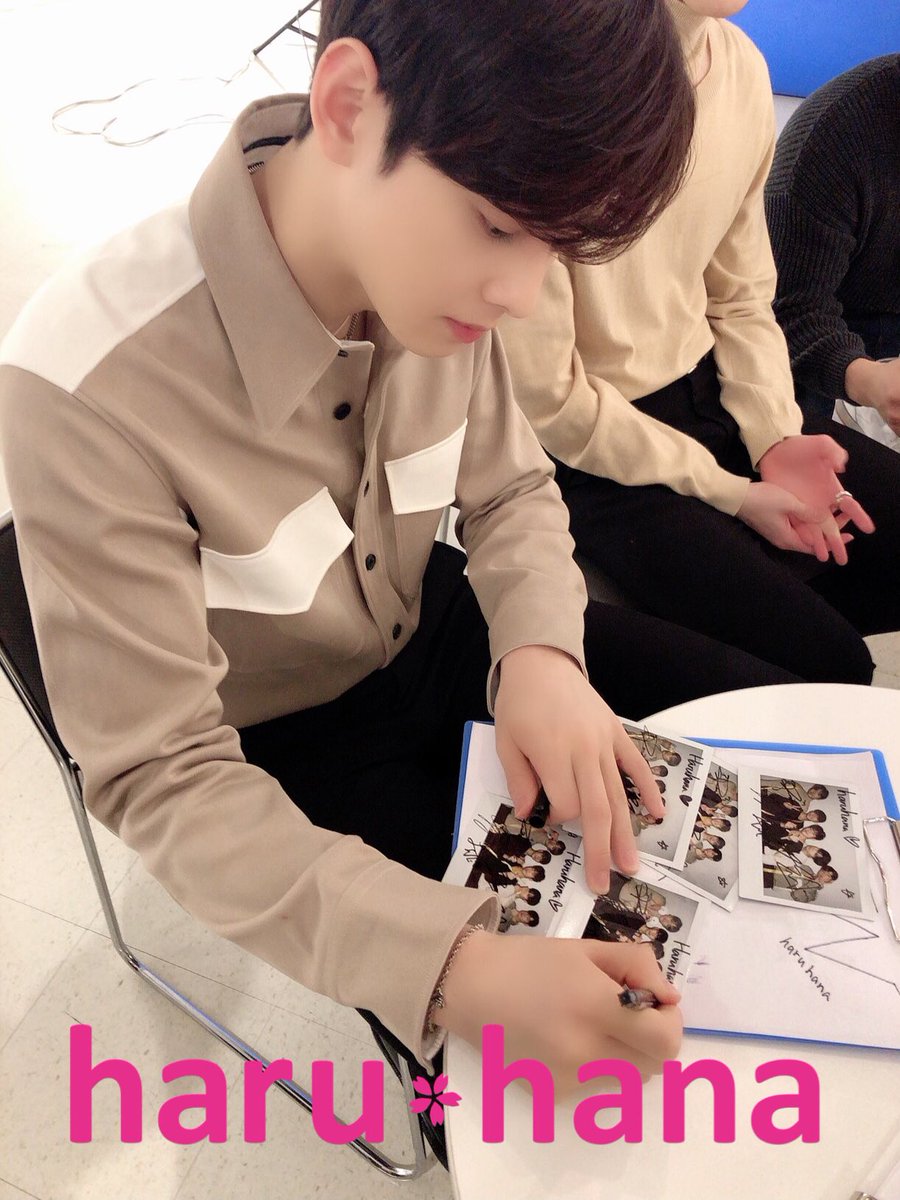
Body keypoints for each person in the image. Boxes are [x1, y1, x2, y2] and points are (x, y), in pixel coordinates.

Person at [0, 0, 697, 1097]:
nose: (522, 294)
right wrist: (458, 967)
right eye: (498, 227)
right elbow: (164, 775)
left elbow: (512, 487)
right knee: (549, 1094)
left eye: (552, 248)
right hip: (272, 743)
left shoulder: (441, 279)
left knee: (730, 765)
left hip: (442, 623)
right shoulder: (88, 379)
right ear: (346, 105)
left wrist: (541, 655)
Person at [498, 0, 900, 682]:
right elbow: (552, 401)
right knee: (833, 664)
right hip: (586, 452)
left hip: (710, 393)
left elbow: (741, 296)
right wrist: (729, 492)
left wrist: (774, 435)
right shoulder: (554, 88)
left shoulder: (739, 68)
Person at [766, 55, 900, 449]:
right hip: (823, 314)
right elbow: (786, 310)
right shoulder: (832, 139)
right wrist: (869, 381)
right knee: (787, 440)